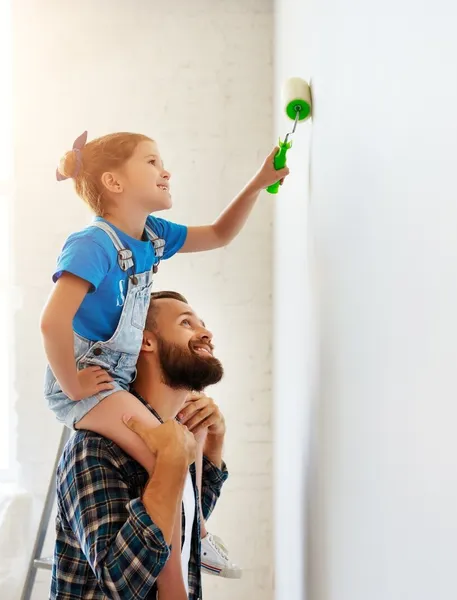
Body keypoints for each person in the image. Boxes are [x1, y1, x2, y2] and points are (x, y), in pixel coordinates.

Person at [41, 131, 285, 590]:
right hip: (90, 383)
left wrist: (258, 183)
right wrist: (73, 385)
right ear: (114, 182)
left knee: (178, 446)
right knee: (164, 456)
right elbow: (52, 322)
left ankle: (197, 537)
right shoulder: (92, 244)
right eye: (152, 161)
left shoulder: (151, 237)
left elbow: (219, 234)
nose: (165, 171)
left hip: (115, 380)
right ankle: (191, 558)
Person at [51, 291, 229, 599]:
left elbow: (186, 520)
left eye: (202, 323)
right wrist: (170, 465)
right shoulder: (95, 448)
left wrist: (214, 443)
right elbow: (121, 585)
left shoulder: (177, 437)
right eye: (186, 323)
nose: (206, 333)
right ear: (146, 341)